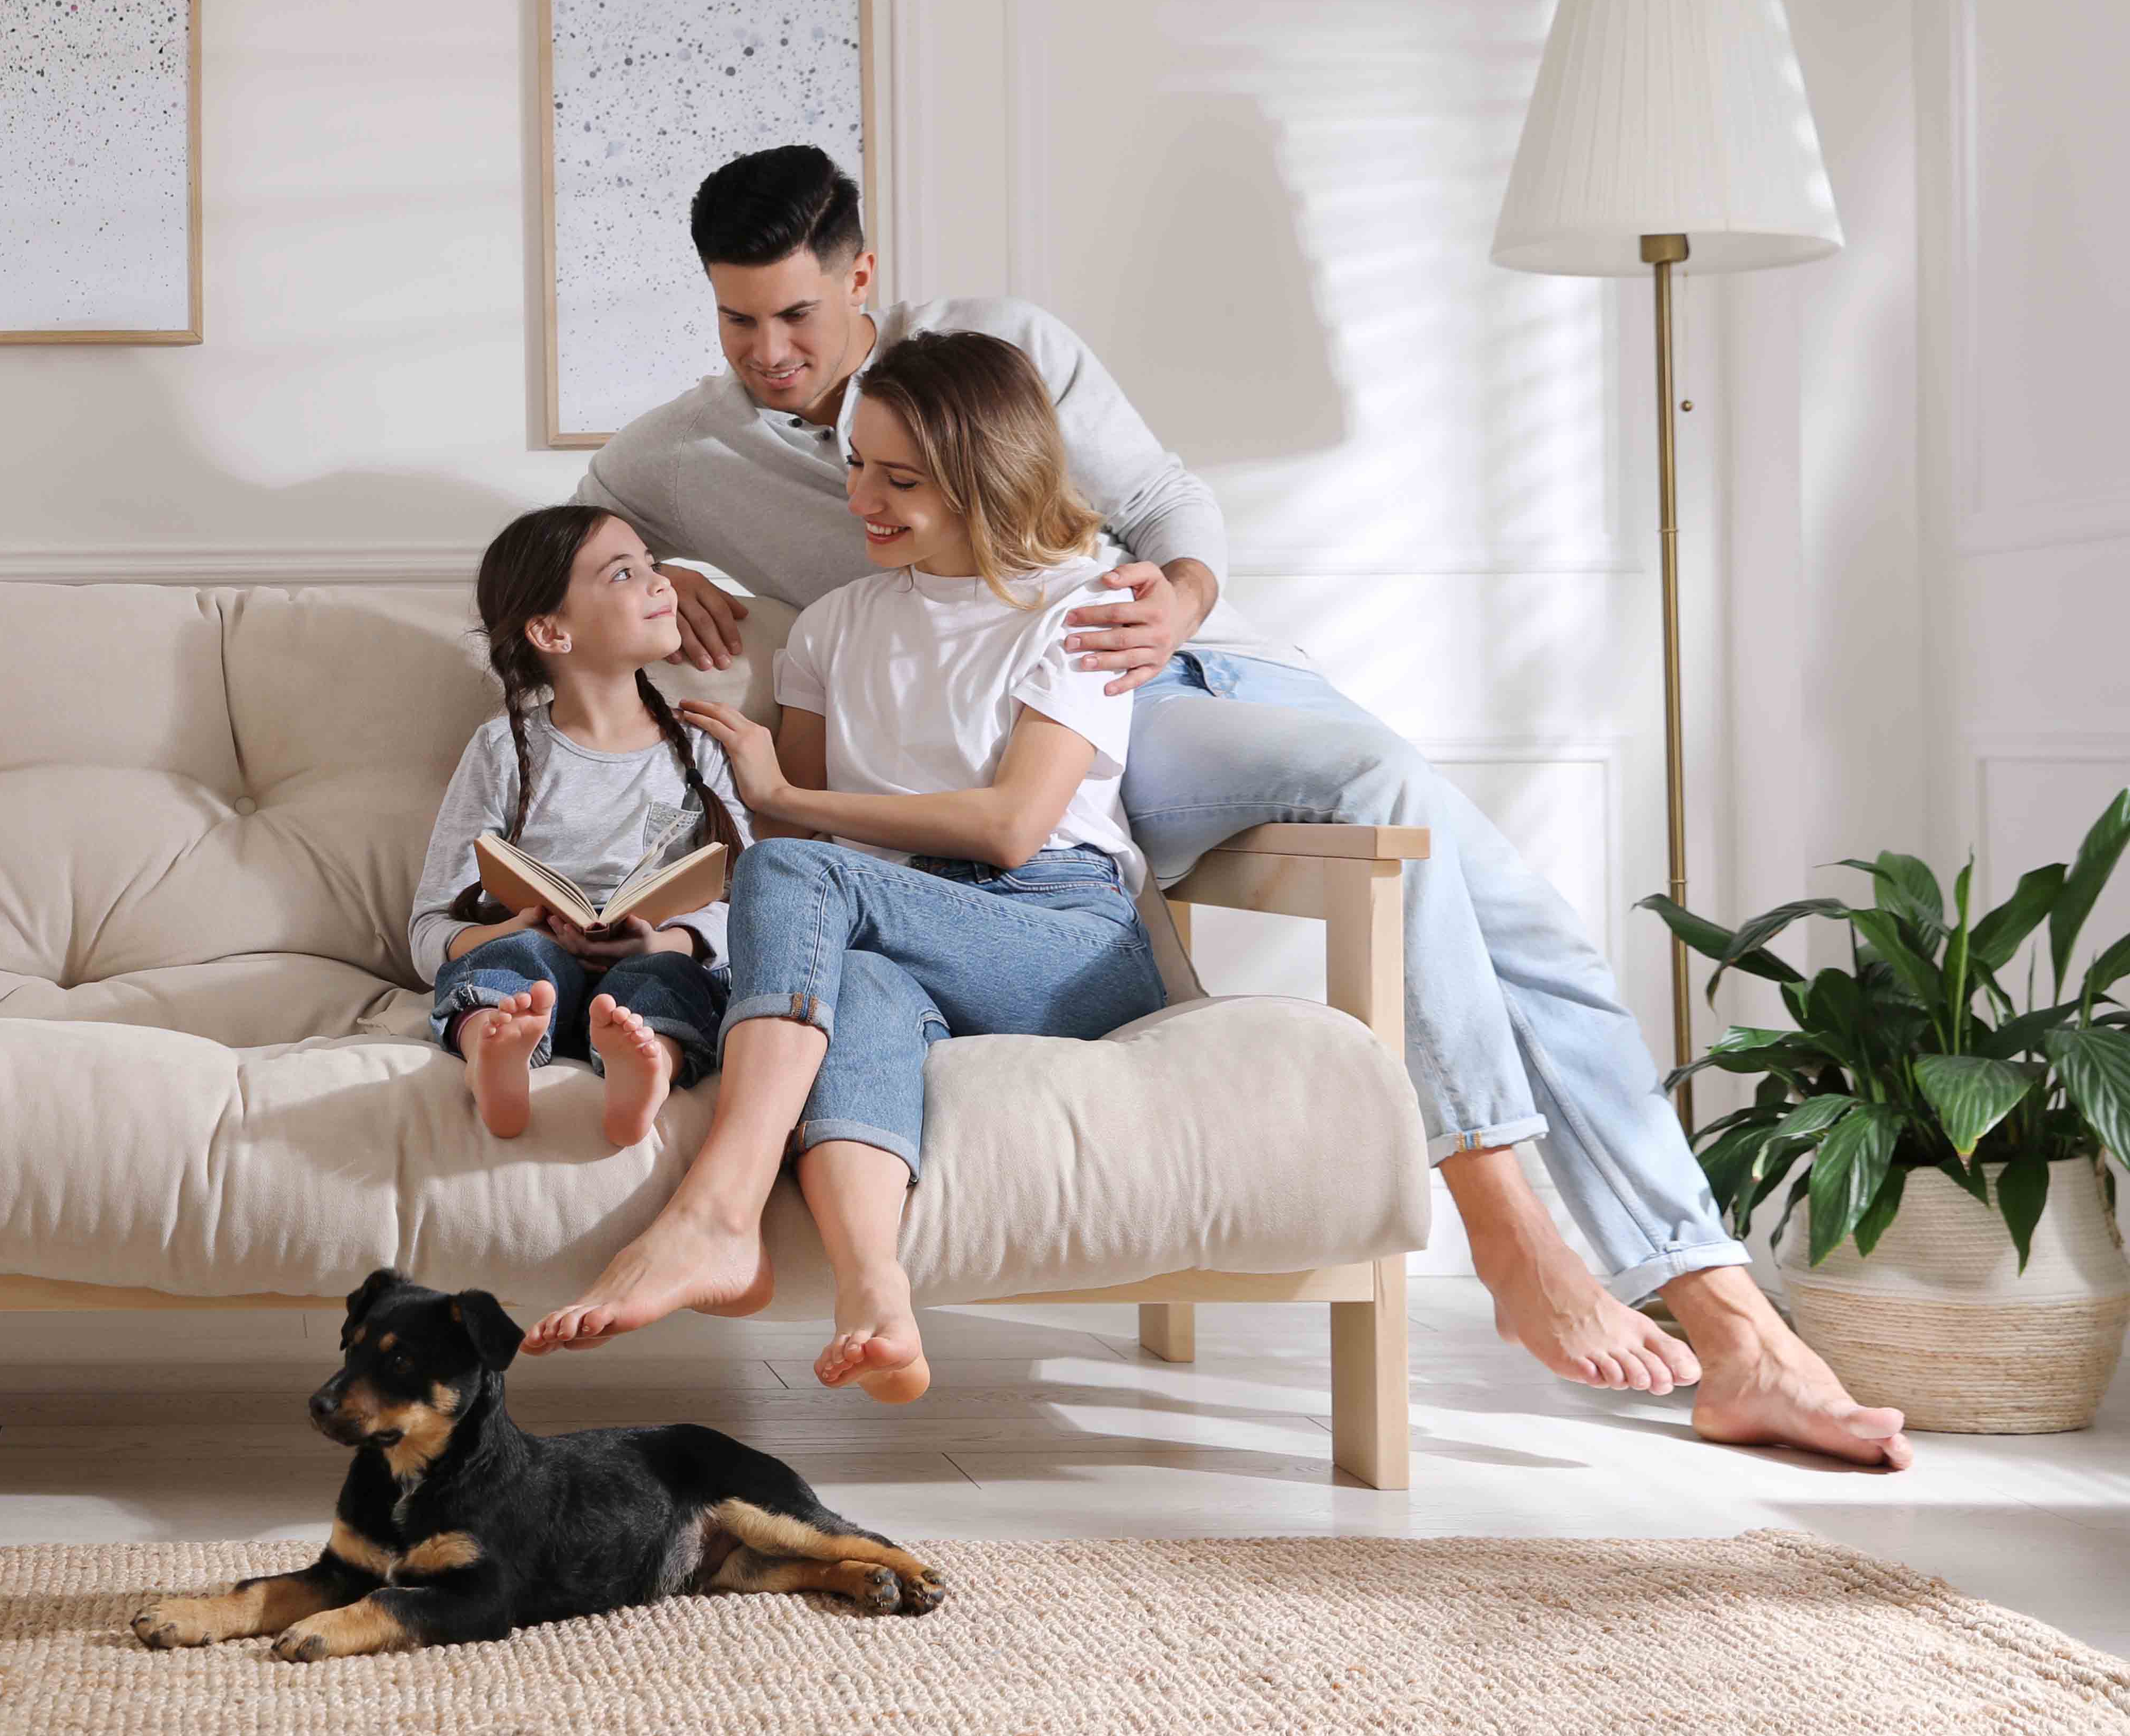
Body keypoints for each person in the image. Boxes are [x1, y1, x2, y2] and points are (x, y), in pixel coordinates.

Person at [540, 143, 1910, 1472]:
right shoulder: (699, 451)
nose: (771, 351)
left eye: (795, 312)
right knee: (1417, 830)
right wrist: (658, 564)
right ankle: (1616, 1282)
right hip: (1042, 745)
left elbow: (1167, 505)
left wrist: (1172, 605)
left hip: (1160, 677)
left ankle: (1667, 1297)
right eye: (737, 322)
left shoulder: (996, 350)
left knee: (1514, 916)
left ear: (861, 277)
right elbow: (583, 516)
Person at [665, 330, 1168, 1403]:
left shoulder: (1085, 608)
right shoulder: (836, 627)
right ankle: (876, 1293)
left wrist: (786, 800)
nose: (863, 500)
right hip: (899, 926)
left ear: (990, 477)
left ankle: (719, 1205)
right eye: (855, 464)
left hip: (1060, 937)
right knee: (865, 984)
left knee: (799, 873)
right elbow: (806, 853)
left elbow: (1010, 827)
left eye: (901, 479)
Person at [409, 507, 748, 1147]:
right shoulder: (502, 750)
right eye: (626, 573)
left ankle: (647, 1070)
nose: (661, 583)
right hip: (536, 970)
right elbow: (429, 927)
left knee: (670, 985)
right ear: (551, 631)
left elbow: (755, 910)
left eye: (652, 563)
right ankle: (494, 1051)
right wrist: (513, 927)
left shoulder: (699, 749)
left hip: (652, 963)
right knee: (514, 960)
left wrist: (667, 945)